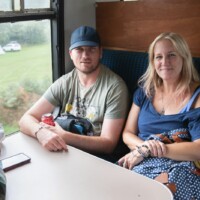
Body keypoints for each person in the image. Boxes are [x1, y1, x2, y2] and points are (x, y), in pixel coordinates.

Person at [19, 25, 129, 162]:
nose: (85, 56)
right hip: (64, 151)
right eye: (79, 49)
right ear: (71, 54)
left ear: (100, 52)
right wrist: (41, 133)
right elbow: (25, 119)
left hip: (96, 158)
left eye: (91, 49)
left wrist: (64, 136)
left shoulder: (115, 87)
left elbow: (108, 144)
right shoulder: (64, 83)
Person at [118, 32, 200, 199]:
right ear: (152, 62)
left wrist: (151, 150)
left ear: (184, 58)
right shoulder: (144, 92)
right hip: (140, 157)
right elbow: (127, 133)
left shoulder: (197, 96)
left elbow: (198, 149)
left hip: (180, 166)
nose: (164, 62)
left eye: (171, 55)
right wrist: (143, 149)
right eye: (158, 57)